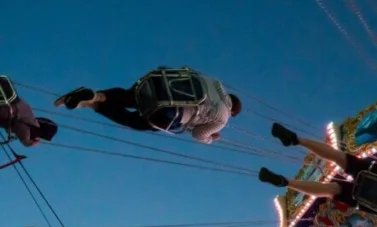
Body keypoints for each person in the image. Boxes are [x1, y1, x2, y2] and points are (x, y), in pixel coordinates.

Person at [258, 123, 377, 227]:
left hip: (376, 174)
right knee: (331, 190)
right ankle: (285, 182)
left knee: (339, 157)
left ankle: (296, 140)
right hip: (363, 198)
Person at [55, 70, 241, 144]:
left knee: (128, 97)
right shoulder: (223, 117)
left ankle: (97, 95)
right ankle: (93, 105)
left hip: (159, 83)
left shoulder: (216, 82)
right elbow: (198, 134)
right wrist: (212, 138)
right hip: (170, 112)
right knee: (133, 120)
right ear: (232, 111)